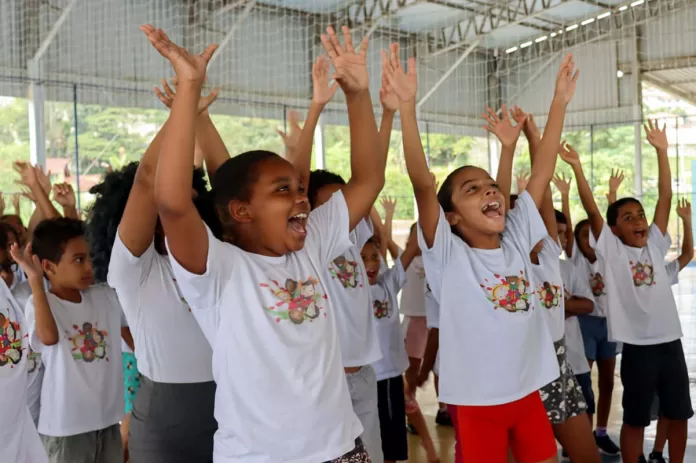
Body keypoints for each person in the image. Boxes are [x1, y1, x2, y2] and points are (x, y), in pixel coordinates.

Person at [140, 22, 387, 462]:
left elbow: (368, 179)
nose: (300, 198)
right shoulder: (220, 270)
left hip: (342, 447)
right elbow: (173, 204)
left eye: (298, 188)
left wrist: (357, 94)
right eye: (282, 190)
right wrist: (189, 91)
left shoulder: (312, 245)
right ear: (240, 212)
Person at [390, 33, 578, 460]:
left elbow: (543, 170)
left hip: (528, 391)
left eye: (493, 186)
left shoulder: (514, 238)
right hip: (478, 403)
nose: (491, 192)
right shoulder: (447, 256)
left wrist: (559, 102)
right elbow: (423, 183)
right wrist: (406, 107)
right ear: (452, 216)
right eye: (472, 189)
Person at [87, 81, 222, 463]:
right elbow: (148, 180)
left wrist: (199, 118)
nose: (183, 214)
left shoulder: (220, 260)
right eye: (170, 207)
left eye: (192, 205)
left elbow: (231, 189)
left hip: (231, 401)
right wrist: (182, 108)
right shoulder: (135, 271)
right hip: (163, 420)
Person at [560, 120, 693, 463]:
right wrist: (577, 168)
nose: (638, 222)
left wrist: (662, 151)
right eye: (628, 217)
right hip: (637, 348)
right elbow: (591, 210)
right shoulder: (613, 253)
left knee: (678, 414)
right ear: (614, 228)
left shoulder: (656, 246)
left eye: (641, 216)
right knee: (635, 419)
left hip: (670, 342)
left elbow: (665, 196)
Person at [496, 108, 599, 463]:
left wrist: (532, 136)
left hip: (556, 364)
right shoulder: (505, 264)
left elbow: (544, 190)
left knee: (587, 455)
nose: (536, 226)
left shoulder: (550, 250)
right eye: (518, 222)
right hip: (518, 368)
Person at [13, 217, 125, 463]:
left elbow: (132, 334)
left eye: (88, 257)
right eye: (78, 260)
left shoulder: (104, 297)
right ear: (49, 267)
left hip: (107, 421)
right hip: (66, 428)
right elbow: (49, 338)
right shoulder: (40, 302)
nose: (88, 267)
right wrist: (34, 281)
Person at [362, 209, 418, 463]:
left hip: (390, 377)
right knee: (368, 440)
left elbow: (408, 252)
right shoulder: (352, 291)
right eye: (362, 259)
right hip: (367, 377)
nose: (371, 264)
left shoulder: (387, 283)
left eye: (374, 257)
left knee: (392, 442)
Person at [642, 198, 693, 463]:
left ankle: (659, 452)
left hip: (669, 343)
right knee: (642, 412)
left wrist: (686, 220)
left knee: (673, 408)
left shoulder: (662, 271)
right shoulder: (626, 266)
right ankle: (653, 452)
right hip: (642, 346)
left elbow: (686, 255)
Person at [0, 225, 48, 463]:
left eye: (7, 267)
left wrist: (35, 278)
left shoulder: (12, 295)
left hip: (20, 425)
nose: (4, 274)